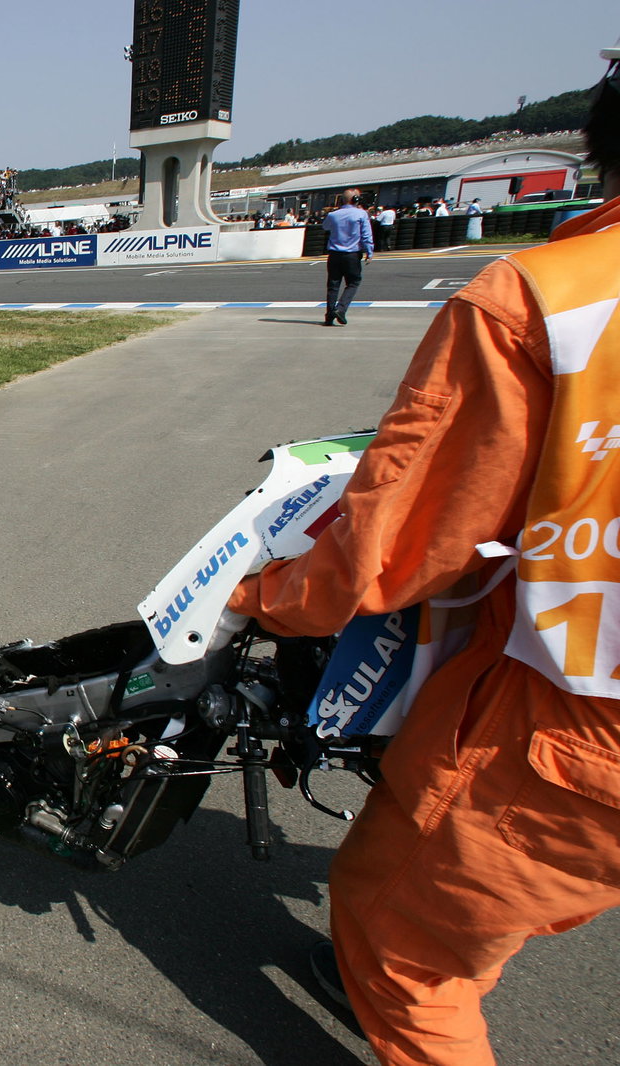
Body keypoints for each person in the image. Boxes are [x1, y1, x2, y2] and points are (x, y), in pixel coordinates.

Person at [226, 41, 620, 1064]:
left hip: (576, 723)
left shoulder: (547, 300)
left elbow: (398, 542)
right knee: (469, 893)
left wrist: (265, 595)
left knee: (404, 942)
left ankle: (406, 976)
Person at [322, 188, 374, 326]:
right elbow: (366, 235)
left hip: (334, 254)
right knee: (353, 282)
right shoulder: (361, 214)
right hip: (351, 254)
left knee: (333, 285)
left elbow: (325, 227)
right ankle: (341, 308)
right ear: (355, 200)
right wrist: (369, 251)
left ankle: (329, 316)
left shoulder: (333, 215)